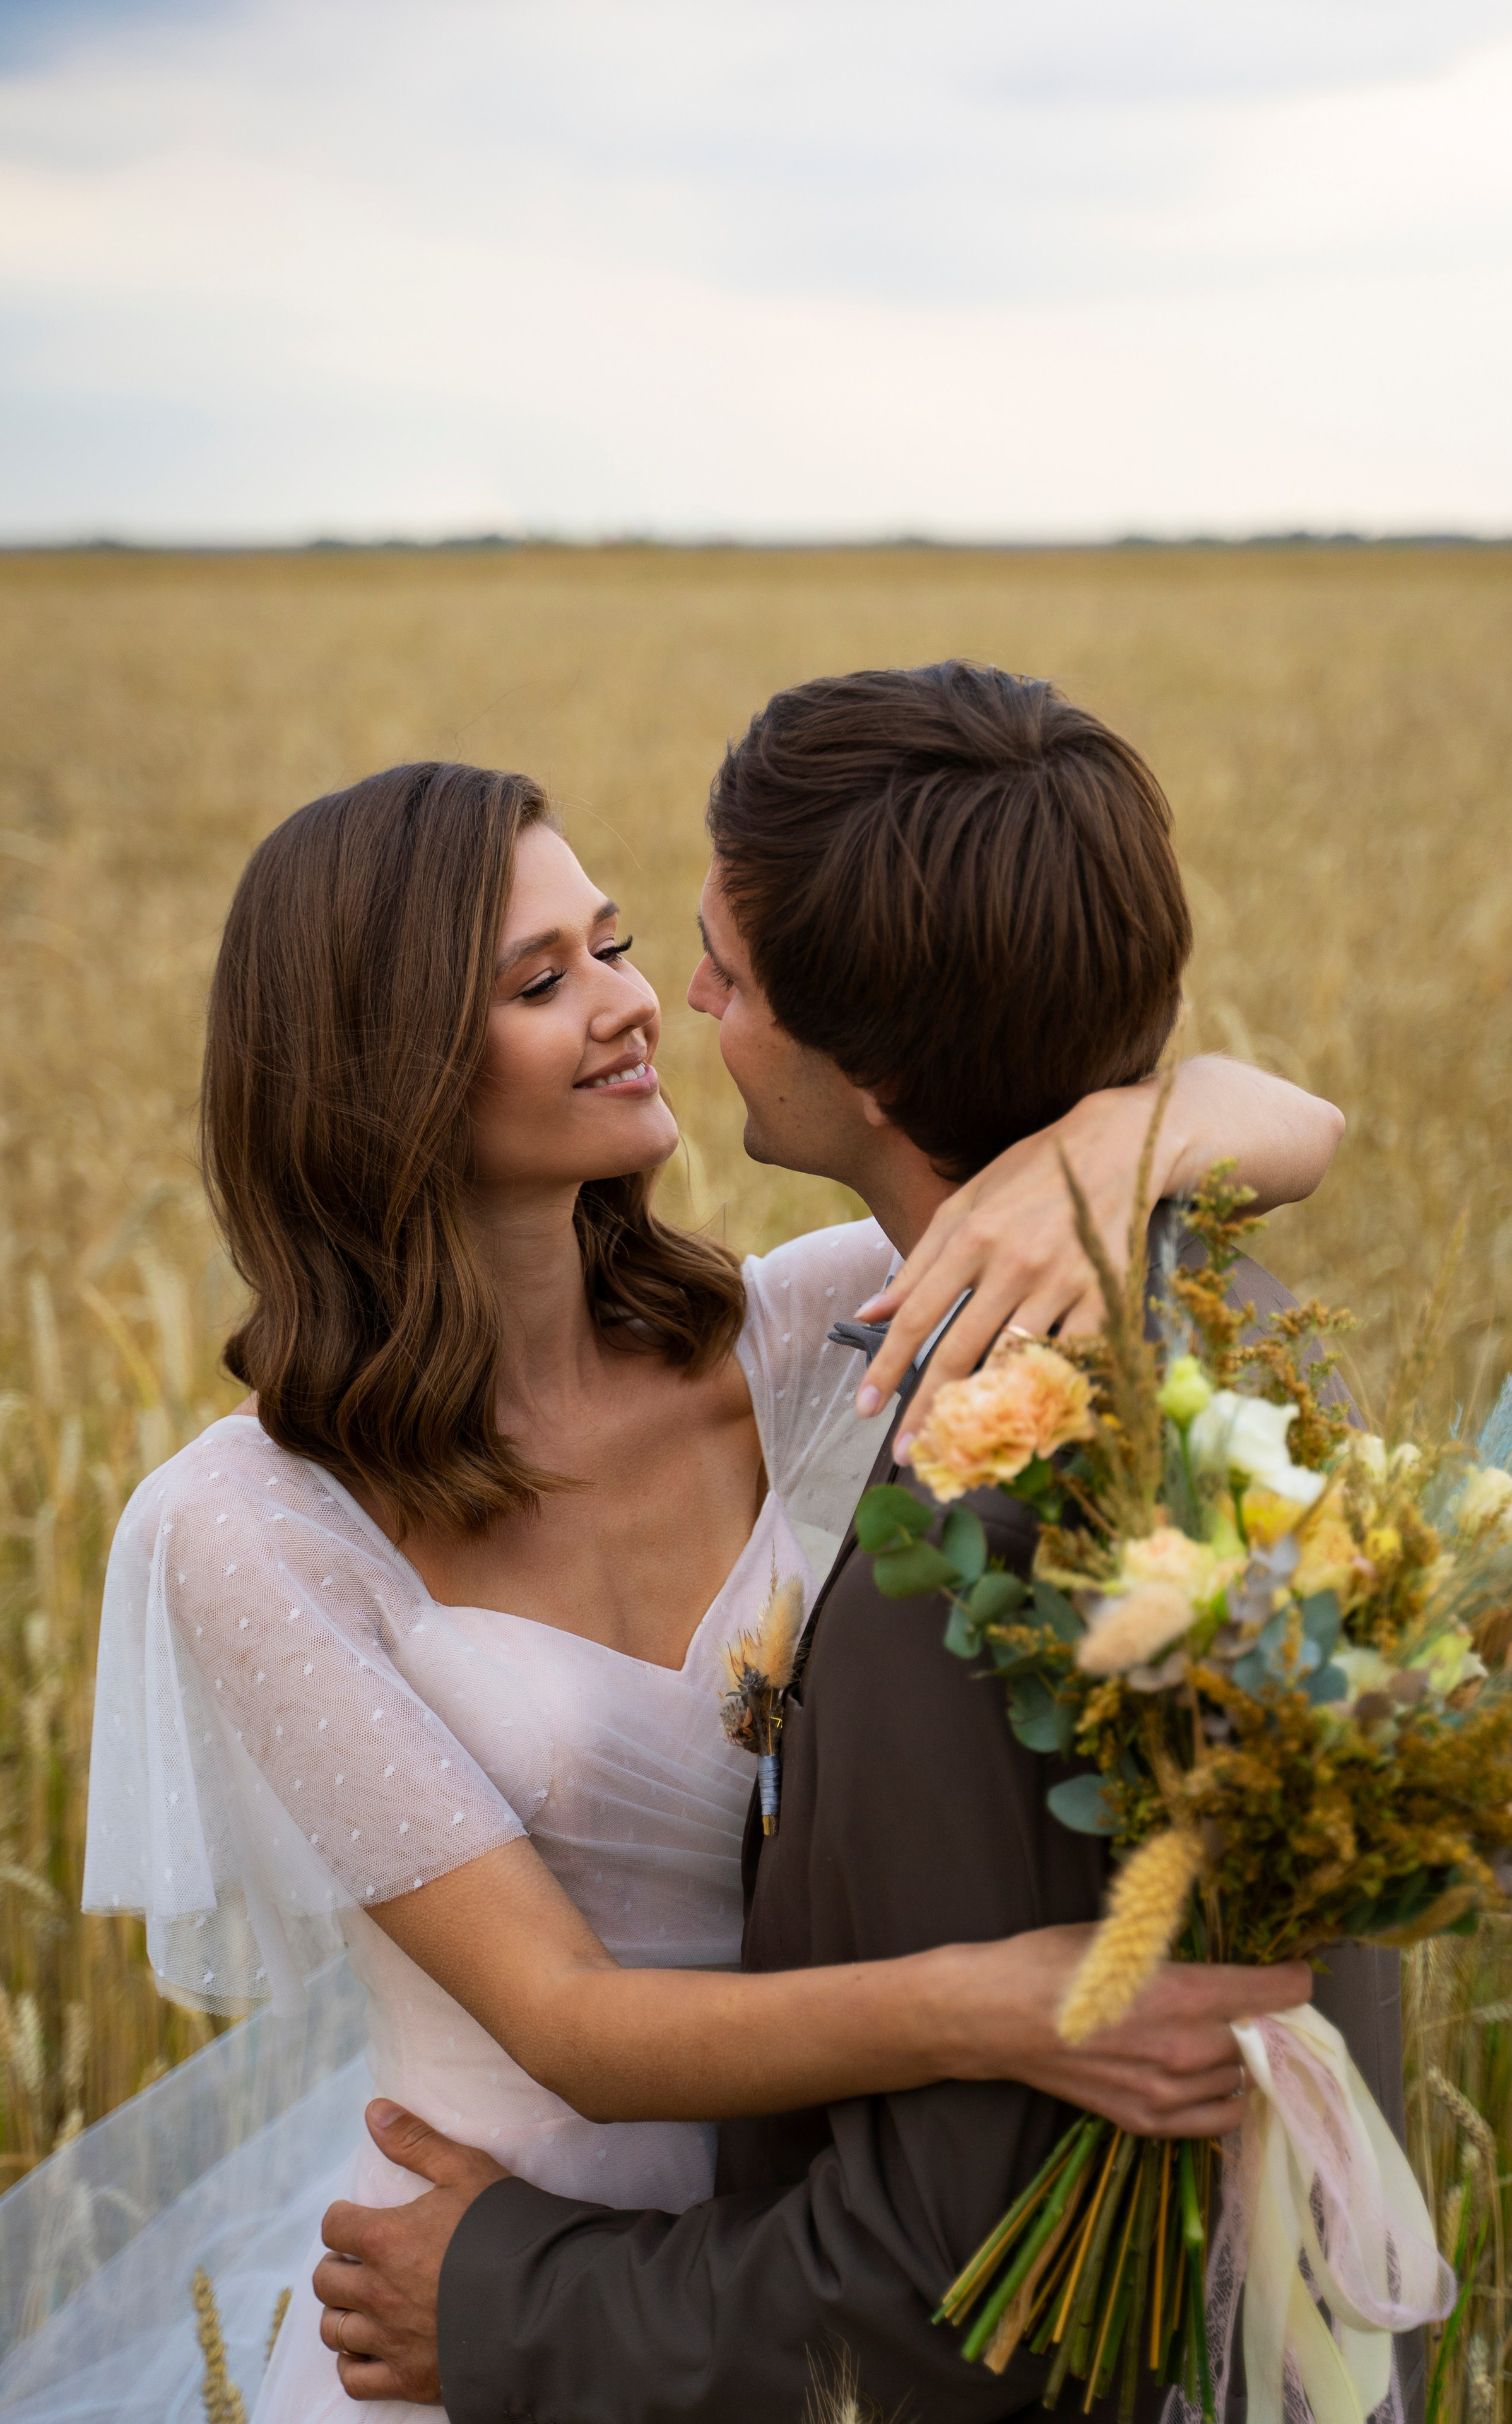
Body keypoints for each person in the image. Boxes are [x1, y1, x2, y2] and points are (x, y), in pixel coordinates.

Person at [74, 681, 1341, 2424]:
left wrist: (1126, 1134)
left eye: (610, 943)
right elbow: (573, 2019)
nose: (632, 1002)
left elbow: (1303, 1130)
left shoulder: (817, 1323)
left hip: (780, 2265)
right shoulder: (254, 1522)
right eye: (542, 983)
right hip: (489, 2295)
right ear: (383, 1079)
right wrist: (1007, 2001)